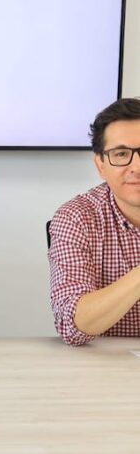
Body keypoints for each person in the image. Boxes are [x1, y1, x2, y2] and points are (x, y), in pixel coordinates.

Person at [49, 97, 140, 346]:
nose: (137, 167)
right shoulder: (77, 218)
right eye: (121, 154)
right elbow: (72, 325)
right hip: (106, 363)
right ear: (101, 165)